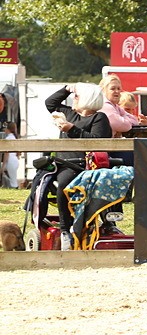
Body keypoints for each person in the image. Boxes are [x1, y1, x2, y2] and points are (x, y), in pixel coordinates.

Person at [46, 83, 113, 249]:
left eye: (77, 96)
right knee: (63, 184)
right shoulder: (68, 113)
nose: (73, 99)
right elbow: (50, 103)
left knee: (72, 182)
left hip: (87, 165)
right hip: (65, 164)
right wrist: (67, 89)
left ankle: (106, 223)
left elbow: (97, 139)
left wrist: (72, 130)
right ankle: (64, 230)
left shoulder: (99, 118)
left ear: (87, 99)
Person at [3, 122, 20, 189]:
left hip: (10, 161)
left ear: (8, 129)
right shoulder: (15, 138)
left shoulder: (8, 139)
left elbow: (6, 154)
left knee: (13, 181)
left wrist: (3, 165)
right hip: (15, 160)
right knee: (13, 178)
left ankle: (15, 189)